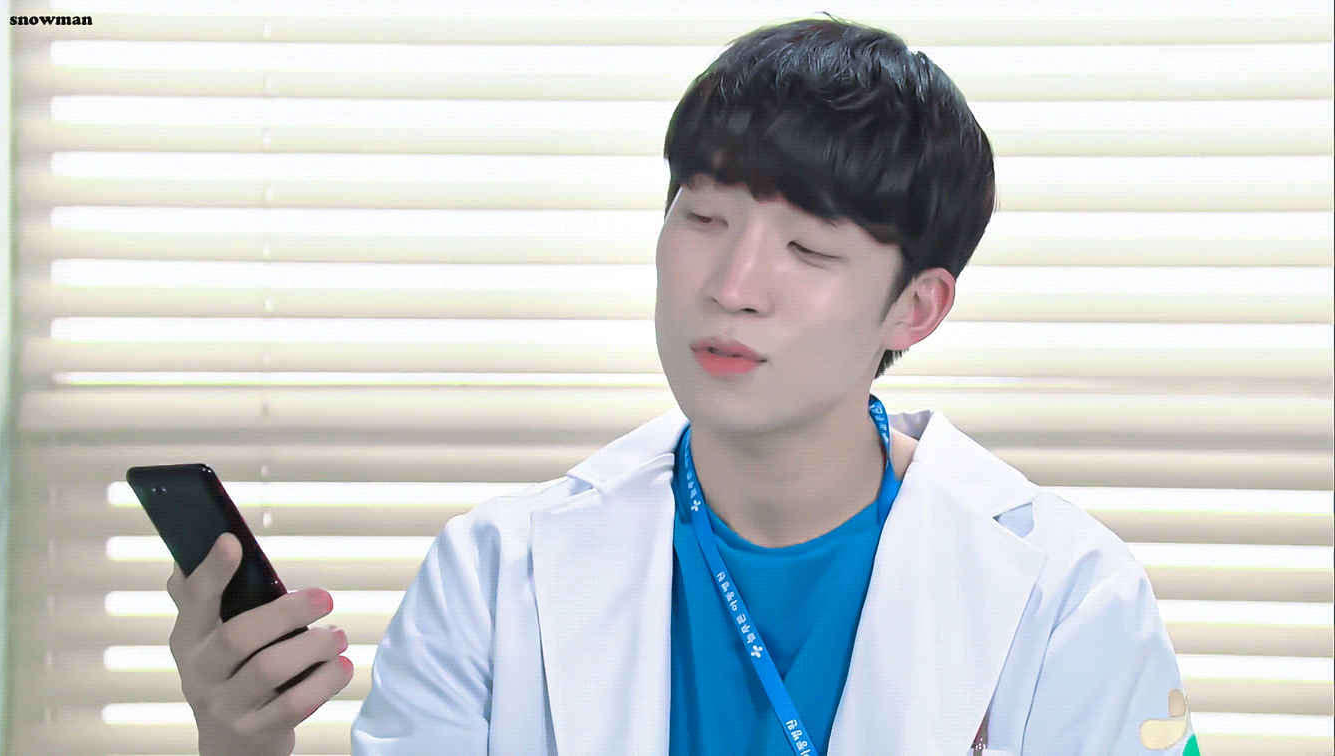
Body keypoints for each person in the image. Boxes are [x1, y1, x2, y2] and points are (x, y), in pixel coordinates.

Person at [164, 15, 1200, 756]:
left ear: (915, 310)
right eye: (704, 217)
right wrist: (239, 747)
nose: (732, 285)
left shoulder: (1075, 601)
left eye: (807, 247)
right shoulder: (490, 577)